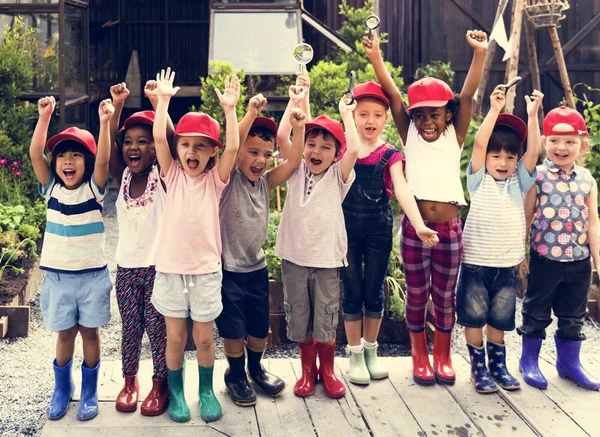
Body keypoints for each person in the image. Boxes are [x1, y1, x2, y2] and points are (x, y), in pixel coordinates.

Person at [365, 28, 488, 385]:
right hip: (414, 228)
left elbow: (467, 95)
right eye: (420, 116)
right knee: (417, 296)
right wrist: (375, 57)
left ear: (447, 115)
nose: (427, 122)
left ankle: (443, 356)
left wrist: (479, 53)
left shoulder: (455, 132)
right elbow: (391, 94)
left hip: (449, 230)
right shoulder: (410, 135)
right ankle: (419, 355)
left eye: (434, 114)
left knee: (445, 296)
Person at [150, 68, 240, 422]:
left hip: (205, 271)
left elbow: (233, 146)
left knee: (204, 339)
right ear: (177, 150)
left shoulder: (214, 182)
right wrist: (164, 102)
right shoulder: (170, 174)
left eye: (201, 146)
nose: (192, 151)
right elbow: (160, 139)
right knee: (175, 339)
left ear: (210, 154)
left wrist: (230, 111)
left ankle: (205, 390)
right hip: (171, 269)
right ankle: (176, 393)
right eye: (185, 144)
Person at [339, 81, 438, 385]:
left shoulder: (390, 154)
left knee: (374, 289)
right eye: (363, 114)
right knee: (352, 289)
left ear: (385, 118)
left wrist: (419, 224)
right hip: (346, 229)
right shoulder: (343, 148)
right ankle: (354, 354)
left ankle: (371, 351)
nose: (370, 121)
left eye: (378, 115)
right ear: (353, 115)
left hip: (378, 229)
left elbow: (402, 189)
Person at [216, 89, 306, 406]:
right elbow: (232, 142)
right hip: (228, 269)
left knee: (257, 326)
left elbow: (294, 160)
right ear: (240, 152)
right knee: (233, 327)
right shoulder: (226, 181)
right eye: (253, 152)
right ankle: (235, 374)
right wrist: (250, 113)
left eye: (266, 155)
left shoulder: (265, 182)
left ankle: (255, 369)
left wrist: (298, 127)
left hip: (256, 269)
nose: (260, 160)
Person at [31, 96, 114, 420]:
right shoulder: (51, 189)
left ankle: (90, 391)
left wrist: (105, 123)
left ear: (87, 161)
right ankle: (62, 388)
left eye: (76, 155)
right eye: (62, 155)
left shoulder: (94, 189)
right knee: (65, 334)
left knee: (91, 334)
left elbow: (105, 162)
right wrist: (44, 117)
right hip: (59, 278)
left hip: (92, 277)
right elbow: (35, 154)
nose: (68, 161)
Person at [457, 86, 543, 393]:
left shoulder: (518, 183)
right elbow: (479, 143)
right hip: (477, 265)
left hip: (507, 266)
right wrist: (494, 110)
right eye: (496, 155)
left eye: (510, 156)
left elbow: (534, 151)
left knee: (500, 319)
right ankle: (478, 368)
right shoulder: (478, 179)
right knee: (474, 317)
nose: (503, 161)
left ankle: (498, 365)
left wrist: (532, 115)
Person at [275, 88, 358, 399]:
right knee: (299, 315)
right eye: (311, 143)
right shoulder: (296, 169)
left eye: (326, 146)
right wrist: (295, 102)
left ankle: (328, 371)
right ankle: (307, 371)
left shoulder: (339, 175)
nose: (317, 150)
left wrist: (347, 114)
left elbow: (354, 151)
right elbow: (284, 136)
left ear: (335, 153)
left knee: (325, 316)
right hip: (294, 258)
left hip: (327, 261)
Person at [518, 106, 600, 391]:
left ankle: (569, 364)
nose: (561, 147)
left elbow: (593, 223)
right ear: (543, 142)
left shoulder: (588, 180)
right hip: (545, 260)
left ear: (583, 145)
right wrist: (520, 253)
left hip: (579, 262)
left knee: (573, 314)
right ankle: (529, 361)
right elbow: (527, 216)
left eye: (570, 141)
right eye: (554, 140)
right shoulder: (537, 177)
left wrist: (597, 261)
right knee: (536, 311)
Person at [106, 80, 170, 415]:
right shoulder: (123, 178)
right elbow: (113, 145)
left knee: (158, 331)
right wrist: (118, 105)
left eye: (143, 141)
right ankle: (130, 383)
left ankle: (161, 385)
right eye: (130, 142)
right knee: (130, 329)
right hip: (127, 269)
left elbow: (169, 138)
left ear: (155, 148)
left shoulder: (164, 176)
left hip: (158, 268)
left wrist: (158, 102)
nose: (135, 147)